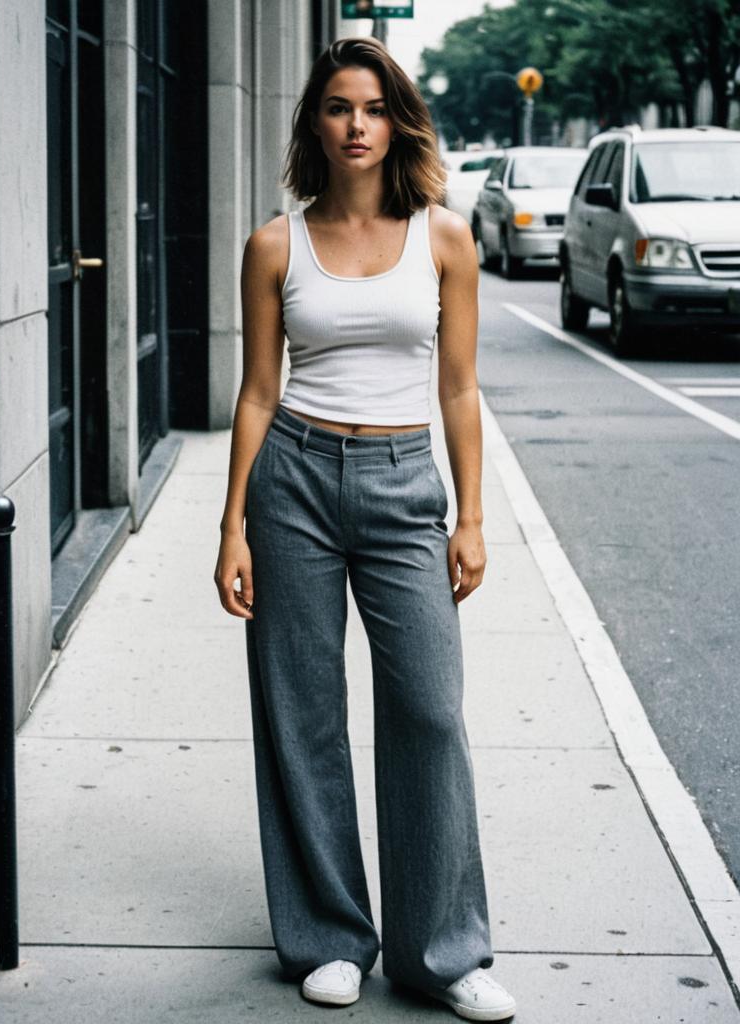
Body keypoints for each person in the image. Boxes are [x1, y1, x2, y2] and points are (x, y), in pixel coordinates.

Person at [214, 36, 516, 1023]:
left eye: (374, 108)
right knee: (301, 716)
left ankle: (443, 951)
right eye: (339, 107)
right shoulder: (274, 245)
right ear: (315, 122)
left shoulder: (443, 237)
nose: (356, 125)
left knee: (428, 709)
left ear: (399, 123)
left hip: (402, 483)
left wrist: (470, 516)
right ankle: (330, 937)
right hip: (293, 477)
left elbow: (461, 387)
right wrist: (233, 526)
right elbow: (259, 393)